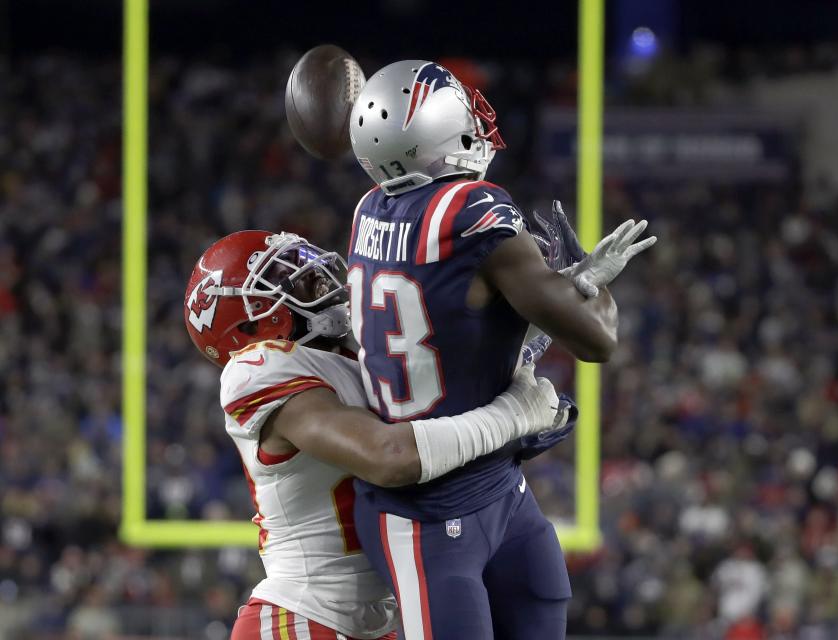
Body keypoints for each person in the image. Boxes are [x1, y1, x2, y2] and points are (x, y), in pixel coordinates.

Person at [345, 60, 656, 639]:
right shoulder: (471, 210)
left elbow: (454, 318)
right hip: (428, 518)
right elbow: (598, 341)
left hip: (495, 489)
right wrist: (592, 283)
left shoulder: (370, 210)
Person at [183, 230, 572, 640]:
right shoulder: (256, 369)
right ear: (252, 322)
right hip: (299, 620)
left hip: (377, 623)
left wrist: (553, 298)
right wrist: (512, 416)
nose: (318, 277)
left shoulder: (355, 348)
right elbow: (389, 456)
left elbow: (451, 376)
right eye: (289, 278)